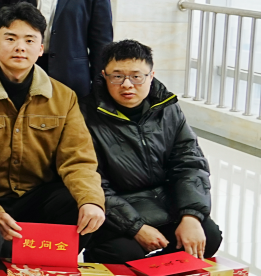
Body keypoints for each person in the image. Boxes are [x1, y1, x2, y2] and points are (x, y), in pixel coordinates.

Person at [0, 3, 105, 252]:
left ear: (41, 48)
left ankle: (33, 257)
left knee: (79, 205)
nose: (20, 47)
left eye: (29, 40)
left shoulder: (63, 97)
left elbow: (78, 160)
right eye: (10, 38)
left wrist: (91, 201)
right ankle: (16, 252)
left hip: (37, 199)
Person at [82, 40, 221, 263]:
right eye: (117, 76)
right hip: (119, 210)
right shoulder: (86, 115)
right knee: (123, 253)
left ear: (151, 76)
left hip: (166, 201)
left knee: (209, 237)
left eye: (137, 77)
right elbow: (92, 182)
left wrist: (191, 216)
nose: (127, 85)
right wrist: (136, 227)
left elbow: (190, 164)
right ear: (104, 76)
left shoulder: (167, 107)